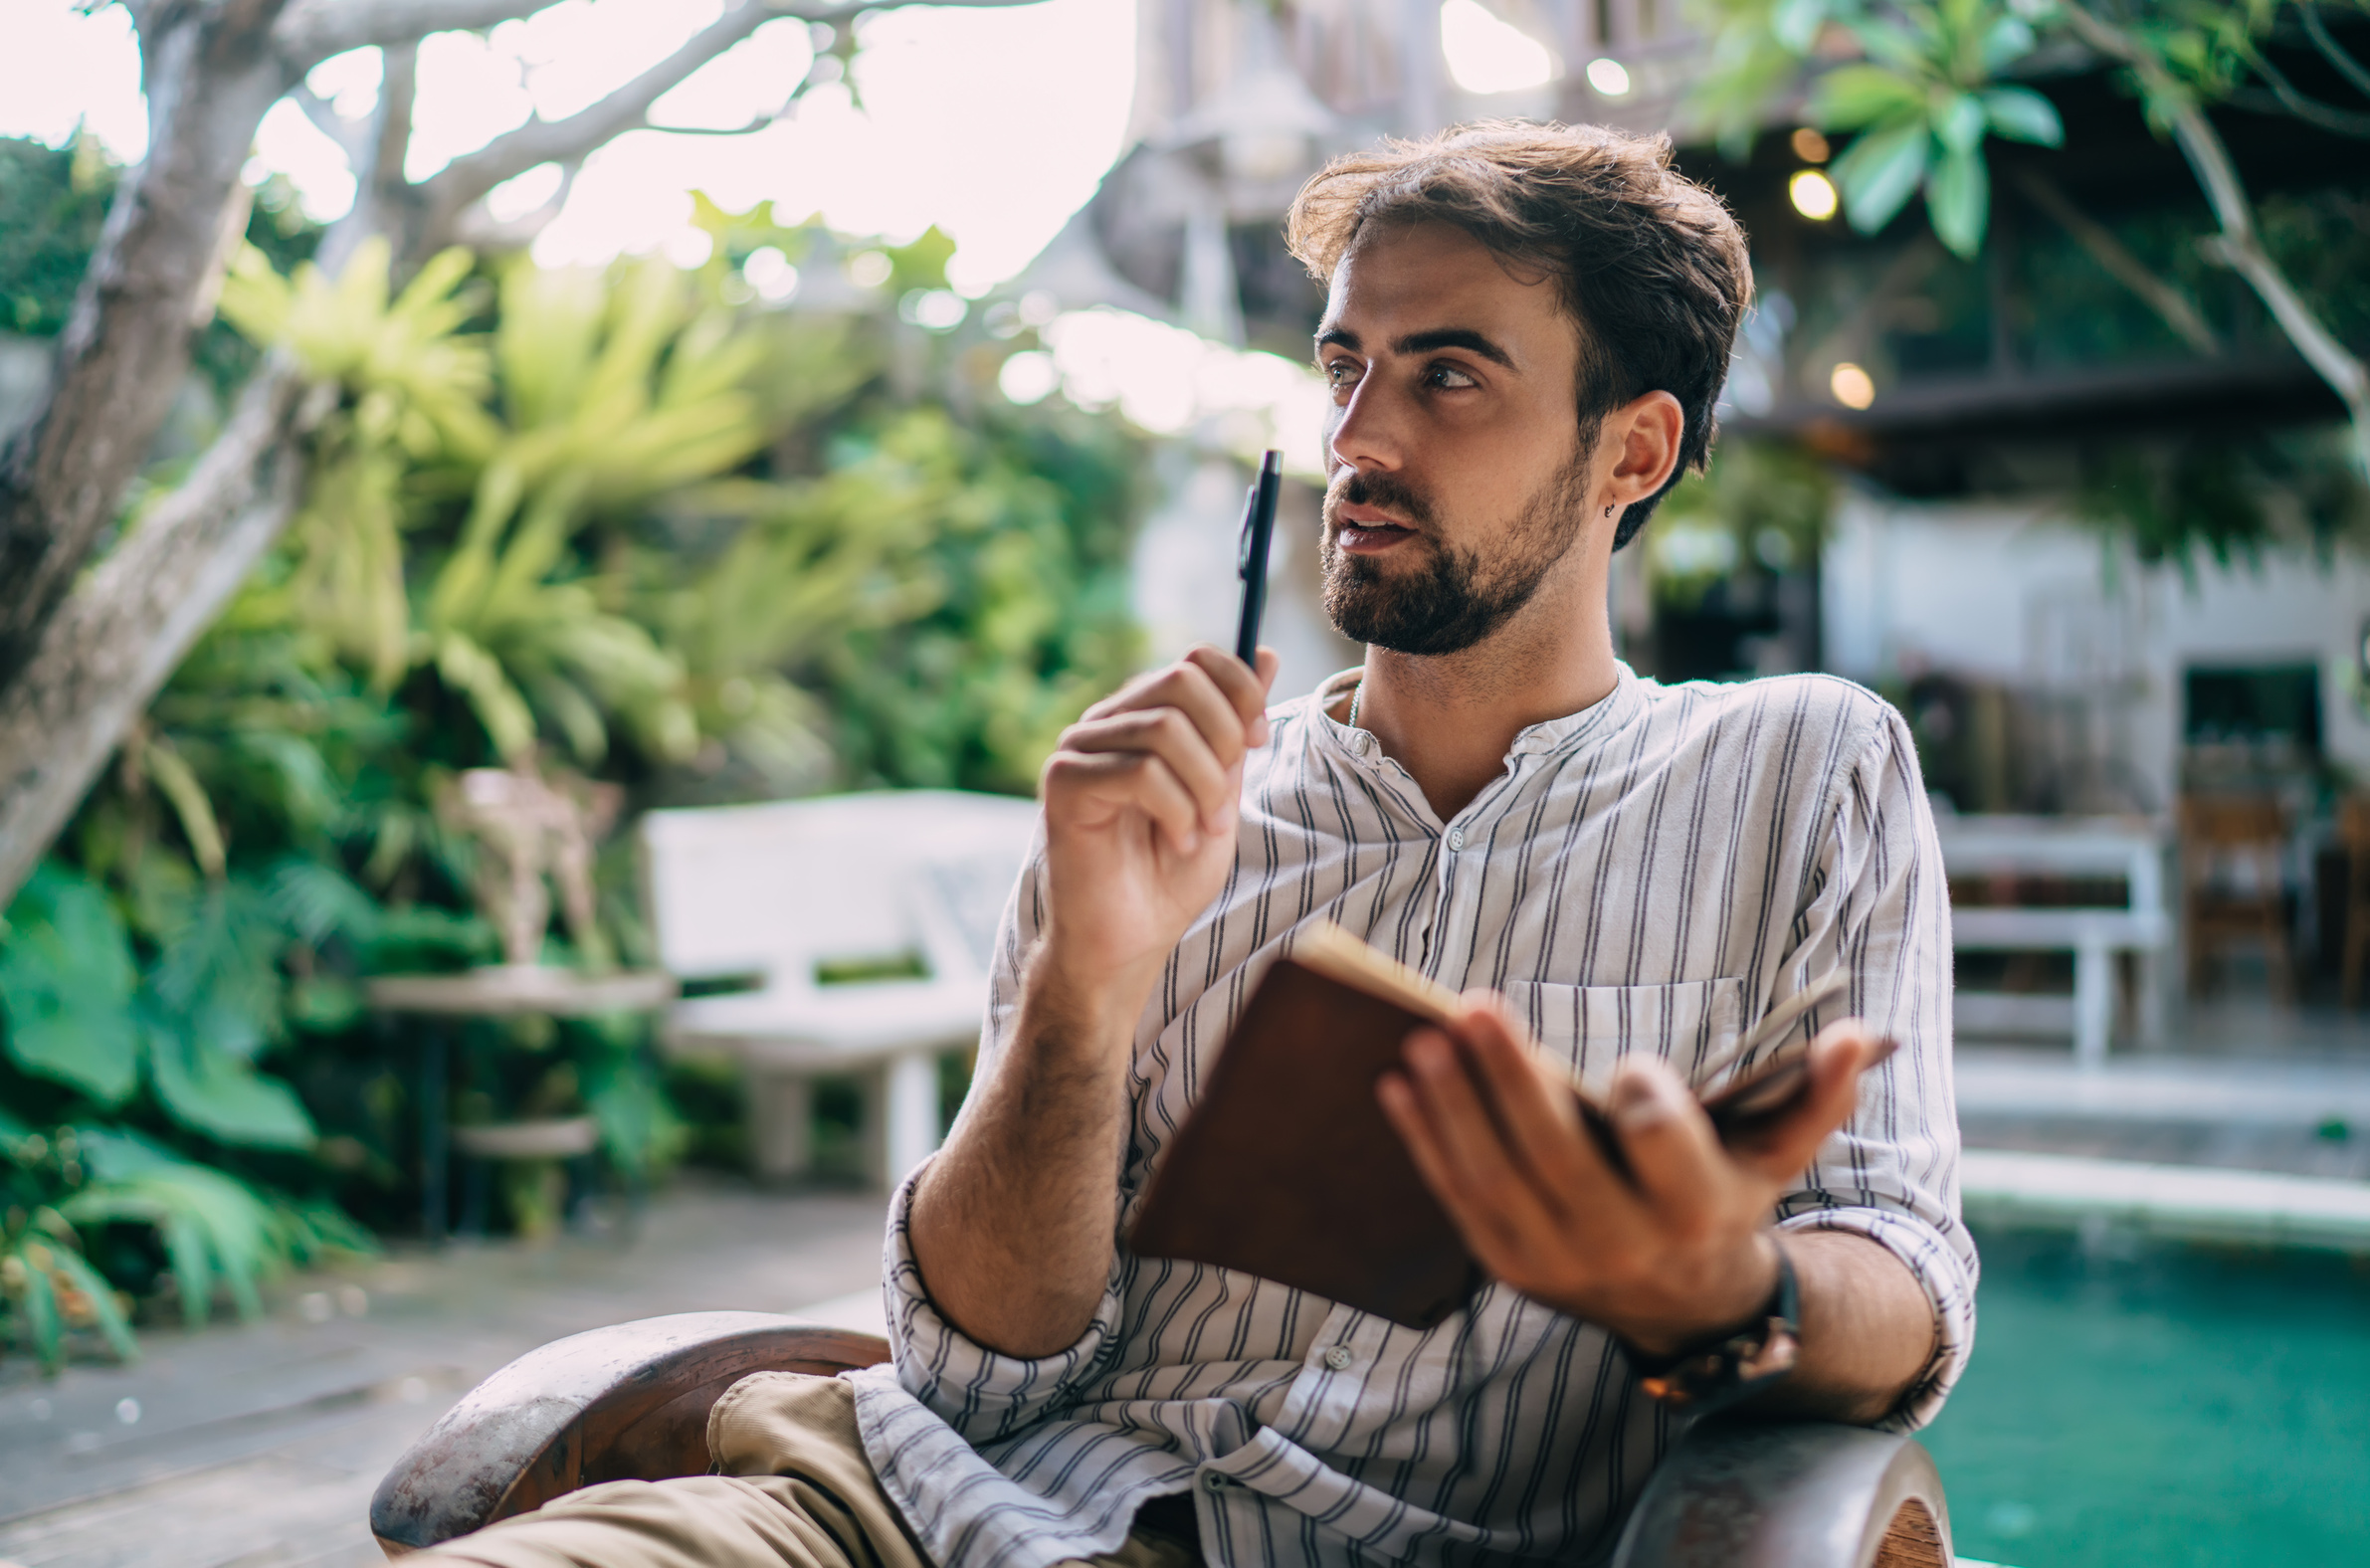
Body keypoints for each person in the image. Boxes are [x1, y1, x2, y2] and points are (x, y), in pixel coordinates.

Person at [420, 121, 1971, 1568]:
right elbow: (976, 1356)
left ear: (1629, 454)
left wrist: (1713, 1289)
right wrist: (1084, 986)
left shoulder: (1797, 769)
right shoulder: (1156, 802)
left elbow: (1900, 1273)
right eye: (1343, 366)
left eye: (1448, 378)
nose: (1354, 438)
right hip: (920, 1509)